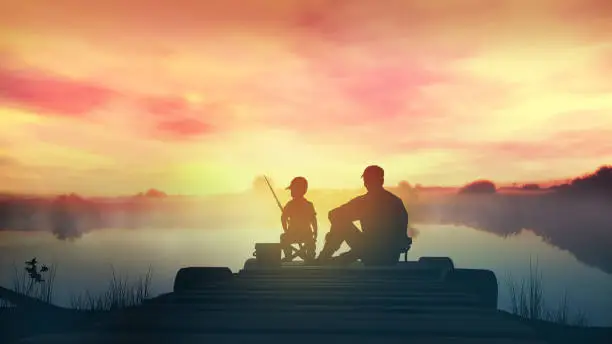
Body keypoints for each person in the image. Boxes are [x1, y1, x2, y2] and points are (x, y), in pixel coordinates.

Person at [317, 165, 410, 266]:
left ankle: (323, 258)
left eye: (367, 180)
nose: (365, 183)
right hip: (391, 259)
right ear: (382, 181)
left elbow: (333, 214)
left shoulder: (364, 202)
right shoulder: (396, 201)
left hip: (370, 257)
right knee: (341, 222)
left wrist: (332, 235)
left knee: (340, 222)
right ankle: (344, 257)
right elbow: (402, 237)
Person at [280, 177, 318, 261]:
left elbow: (283, 218)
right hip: (307, 235)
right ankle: (310, 257)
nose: (291, 192)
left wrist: (286, 230)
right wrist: (315, 233)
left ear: (299, 190)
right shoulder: (309, 204)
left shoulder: (290, 205)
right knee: (311, 241)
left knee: (283, 237)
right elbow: (313, 220)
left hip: (292, 235)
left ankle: (288, 256)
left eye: (292, 190)